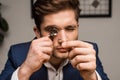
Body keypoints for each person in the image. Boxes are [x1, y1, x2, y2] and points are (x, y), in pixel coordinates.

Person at [0, 0, 109, 80]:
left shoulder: (89, 52)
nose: (63, 39)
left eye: (70, 28)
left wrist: (91, 77)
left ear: (77, 27)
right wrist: (25, 70)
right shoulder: (17, 54)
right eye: (52, 30)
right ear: (37, 32)